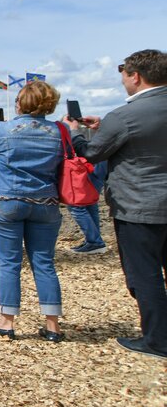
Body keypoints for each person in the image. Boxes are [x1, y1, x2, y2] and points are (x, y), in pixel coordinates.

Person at [68, 50, 167, 360]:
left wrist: (76, 134)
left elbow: (93, 153)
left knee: (145, 274)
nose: (123, 81)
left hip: (140, 207)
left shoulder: (124, 116)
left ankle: (157, 340)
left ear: (135, 76)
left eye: (124, 75)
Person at [0, 80, 66, 342]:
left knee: (9, 262)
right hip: (46, 203)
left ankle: (7, 320)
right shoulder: (59, 132)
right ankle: (52, 326)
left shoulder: (2, 130)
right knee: (44, 263)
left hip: (7, 201)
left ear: (20, 103)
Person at [66, 161, 108, 256]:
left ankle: (95, 242)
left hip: (93, 163)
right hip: (97, 163)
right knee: (90, 203)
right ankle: (93, 241)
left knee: (76, 205)